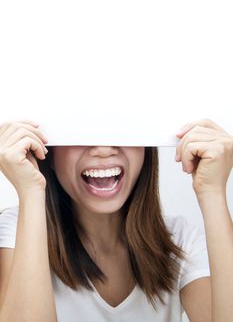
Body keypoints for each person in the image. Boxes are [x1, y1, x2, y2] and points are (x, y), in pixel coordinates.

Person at [0, 118, 232, 322]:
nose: (103, 149)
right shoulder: (19, 229)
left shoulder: (183, 241)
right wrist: (30, 192)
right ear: (48, 150)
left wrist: (212, 191)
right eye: (81, 132)